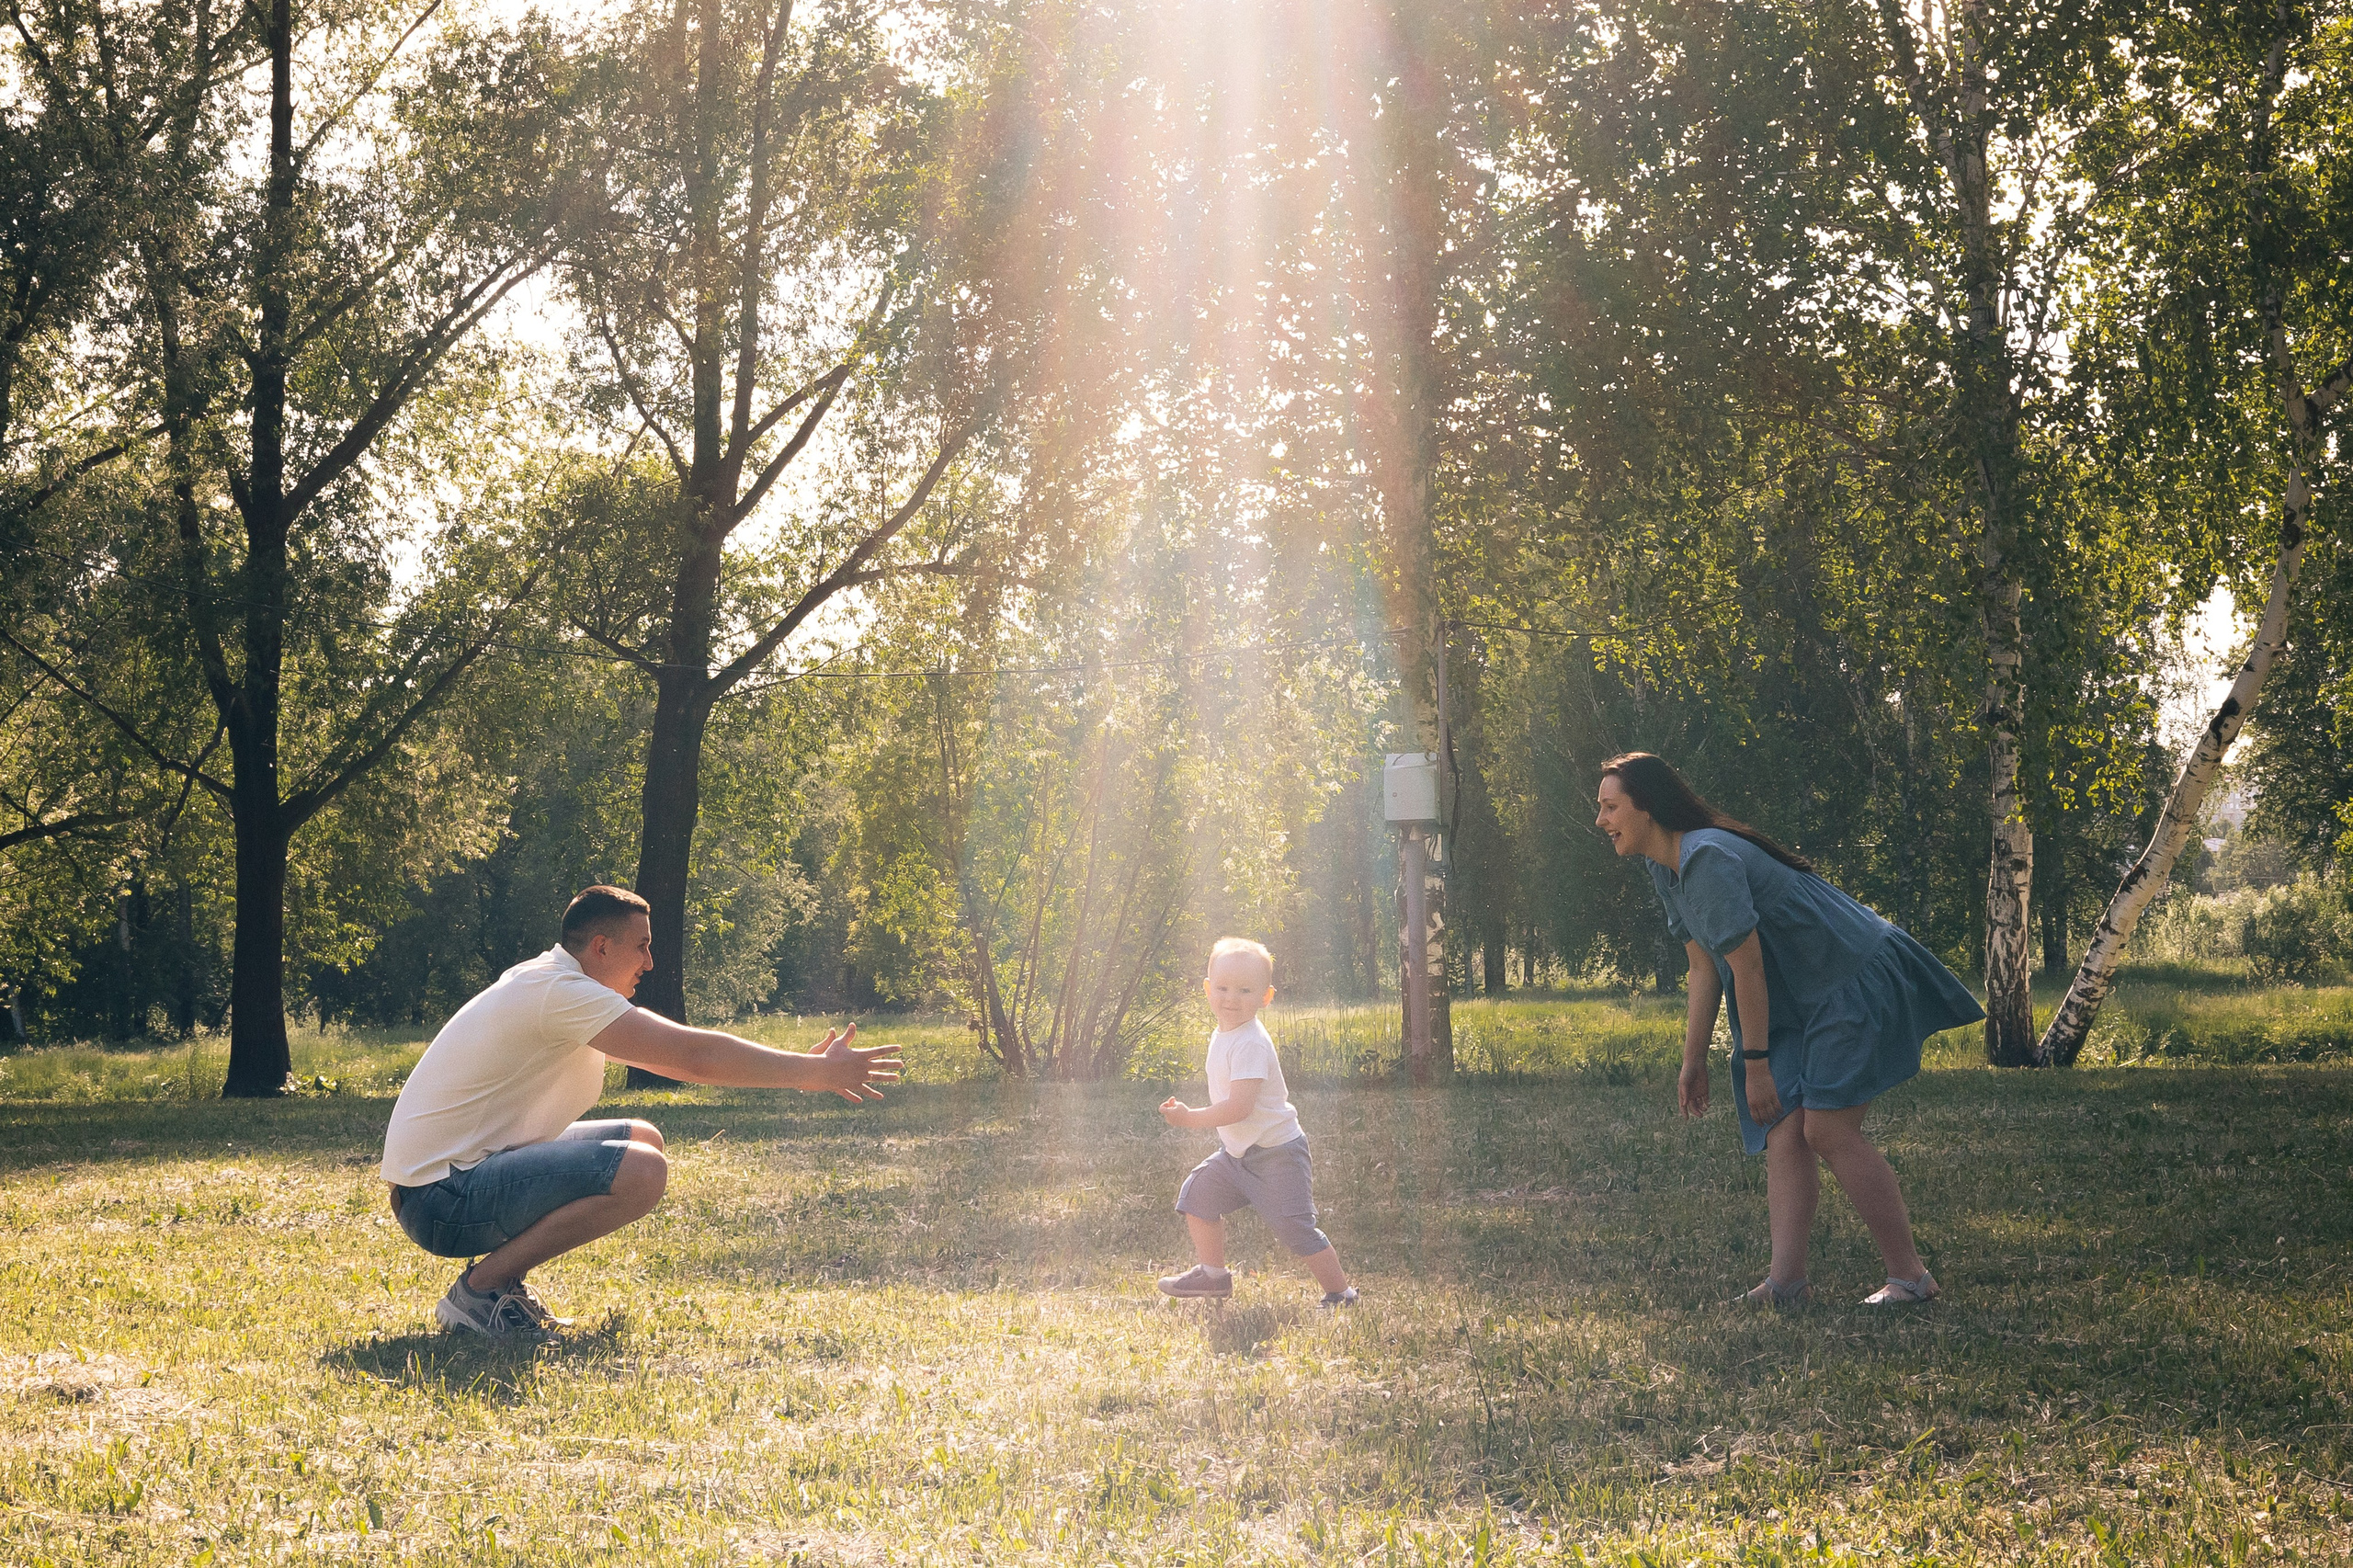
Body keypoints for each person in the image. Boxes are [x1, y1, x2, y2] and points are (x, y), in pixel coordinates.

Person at [380, 885, 903, 1337]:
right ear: (602, 947)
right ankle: (480, 1293)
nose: (650, 963)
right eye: (643, 947)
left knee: (644, 1138)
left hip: (444, 1183)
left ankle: (498, 1284)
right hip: (440, 1201)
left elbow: (676, 1050)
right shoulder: (560, 993)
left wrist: (795, 1068)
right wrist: (813, 1074)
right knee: (641, 1171)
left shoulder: (551, 983)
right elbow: (694, 1058)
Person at [1595, 754, 1982, 1307]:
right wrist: (1692, 1060)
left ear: (1647, 809)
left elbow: (1747, 968)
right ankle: (1786, 1285)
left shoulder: (1706, 858)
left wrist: (1755, 1065)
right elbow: (1705, 967)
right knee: (1782, 1126)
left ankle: (1912, 1278)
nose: (1601, 819)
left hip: (1849, 978)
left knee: (1826, 1130)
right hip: (1802, 999)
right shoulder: (1666, 866)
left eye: (1611, 807)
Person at [1154, 937, 1357, 1308]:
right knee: (1197, 1196)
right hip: (1237, 1155)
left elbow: (1239, 1109)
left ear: (1266, 997)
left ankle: (1341, 1293)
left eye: (1246, 990)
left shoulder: (1250, 1042)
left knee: (1295, 1229)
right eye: (1223, 988)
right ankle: (1213, 1276)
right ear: (1207, 989)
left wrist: (1188, 1118)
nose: (1232, 998)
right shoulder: (1225, 1033)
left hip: (1277, 1154)